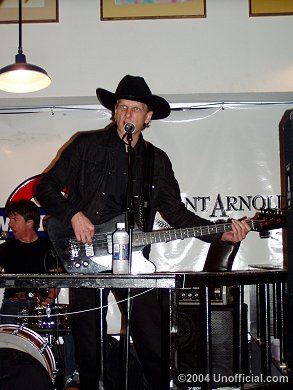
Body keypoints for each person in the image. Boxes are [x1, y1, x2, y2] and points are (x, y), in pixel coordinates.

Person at [35, 75, 251, 390]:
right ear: (114, 111)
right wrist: (73, 215)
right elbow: (45, 186)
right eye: (122, 107)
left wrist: (219, 234)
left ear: (147, 117)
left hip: (133, 261)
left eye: (135, 109)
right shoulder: (86, 145)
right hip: (84, 255)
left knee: (153, 343)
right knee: (89, 349)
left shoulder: (156, 161)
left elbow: (176, 214)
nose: (127, 115)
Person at [0, 199, 78, 390]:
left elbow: (56, 280)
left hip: (41, 305)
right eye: (9, 219)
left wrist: (49, 299)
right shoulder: (5, 248)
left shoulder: (48, 248)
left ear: (29, 222)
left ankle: (71, 379)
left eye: (14, 219)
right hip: (13, 303)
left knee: (69, 330)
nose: (10, 223)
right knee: (2, 334)